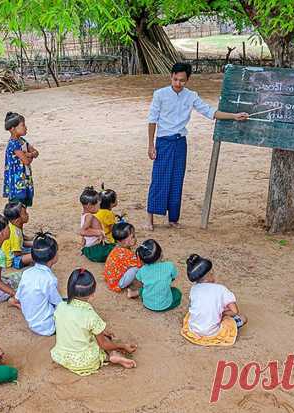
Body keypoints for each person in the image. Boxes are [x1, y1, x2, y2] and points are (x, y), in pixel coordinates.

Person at [145, 62, 249, 230]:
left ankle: (173, 219)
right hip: (163, 142)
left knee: (177, 180)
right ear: (171, 76)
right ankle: (149, 219)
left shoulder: (191, 96)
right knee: (159, 179)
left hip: (180, 143)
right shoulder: (160, 94)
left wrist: (234, 116)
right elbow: (152, 120)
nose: (178, 84)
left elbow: (210, 112)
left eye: (182, 81)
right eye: (175, 79)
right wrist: (151, 145)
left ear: (188, 80)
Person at [51, 269, 137, 375]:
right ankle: (110, 355)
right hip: (84, 361)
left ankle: (112, 354)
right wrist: (122, 345)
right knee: (104, 340)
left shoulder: (60, 306)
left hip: (61, 356)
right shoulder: (90, 315)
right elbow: (104, 344)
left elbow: (71, 324)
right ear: (92, 294)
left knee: (92, 334)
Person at [181, 254, 248, 346]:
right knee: (243, 318)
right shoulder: (221, 289)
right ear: (210, 274)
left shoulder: (194, 289)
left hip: (194, 330)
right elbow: (234, 311)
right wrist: (223, 314)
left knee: (191, 315)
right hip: (212, 333)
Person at [15, 232, 62, 336]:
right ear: (53, 257)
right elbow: (58, 304)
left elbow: (18, 297)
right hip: (48, 327)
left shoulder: (26, 273)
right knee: (71, 306)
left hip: (31, 322)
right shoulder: (50, 279)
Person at [135, 239, 181, 312]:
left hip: (147, 303)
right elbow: (173, 277)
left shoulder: (142, 270)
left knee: (144, 289)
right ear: (161, 254)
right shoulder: (170, 266)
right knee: (177, 293)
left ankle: (134, 293)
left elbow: (139, 283)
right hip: (165, 305)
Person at [3, 111, 38, 207]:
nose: (26, 127)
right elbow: (26, 161)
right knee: (18, 208)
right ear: (13, 129)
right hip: (17, 183)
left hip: (24, 180)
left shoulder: (22, 141)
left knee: (23, 207)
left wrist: (28, 154)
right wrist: (31, 155)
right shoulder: (14, 144)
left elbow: (36, 152)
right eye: (23, 125)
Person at [103, 222, 142, 298]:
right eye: (132, 237)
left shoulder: (117, 248)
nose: (135, 238)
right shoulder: (126, 253)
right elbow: (139, 264)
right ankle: (123, 284)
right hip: (117, 283)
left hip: (110, 278)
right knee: (136, 269)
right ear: (122, 241)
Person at [79, 186, 115, 262]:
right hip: (95, 250)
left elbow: (84, 234)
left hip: (88, 250)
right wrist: (99, 232)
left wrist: (83, 246)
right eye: (98, 205)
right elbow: (82, 231)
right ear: (89, 206)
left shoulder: (84, 215)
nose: (100, 207)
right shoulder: (89, 216)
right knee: (118, 249)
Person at [1, 201, 33, 270]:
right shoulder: (14, 234)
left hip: (17, 251)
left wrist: (34, 244)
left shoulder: (14, 226)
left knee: (34, 250)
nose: (28, 214)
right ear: (17, 221)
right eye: (25, 214)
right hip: (11, 261)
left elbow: (21, 243)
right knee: (35, 254)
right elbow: (17, 253)